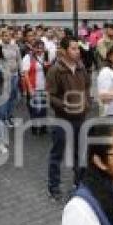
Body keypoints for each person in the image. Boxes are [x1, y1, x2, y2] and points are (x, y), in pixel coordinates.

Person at [46, 36, 92, 201]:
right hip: (62, 119)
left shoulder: (81, 67)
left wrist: (87, 103)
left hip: (80, 117)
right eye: (73, 48)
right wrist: (65, 105)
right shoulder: (55, 70)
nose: (77, 51)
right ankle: (53, 187)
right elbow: (50, 96)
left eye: (78, 48)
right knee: (57, 154)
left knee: (79, 152)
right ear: (64, 51)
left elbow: (87, 86)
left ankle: (79, 183)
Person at [21, 39, 51, 135]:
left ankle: (42, 127)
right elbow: (25, 74)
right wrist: (29, 88)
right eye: (37, 48)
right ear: (33, 48)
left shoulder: (45, 56)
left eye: (41, 48)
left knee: (43, 108)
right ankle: (34, 126)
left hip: (44, 86)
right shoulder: (27, 58)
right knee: (34, 109)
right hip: (33, 86)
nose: (39, 50)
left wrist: (48, 67)